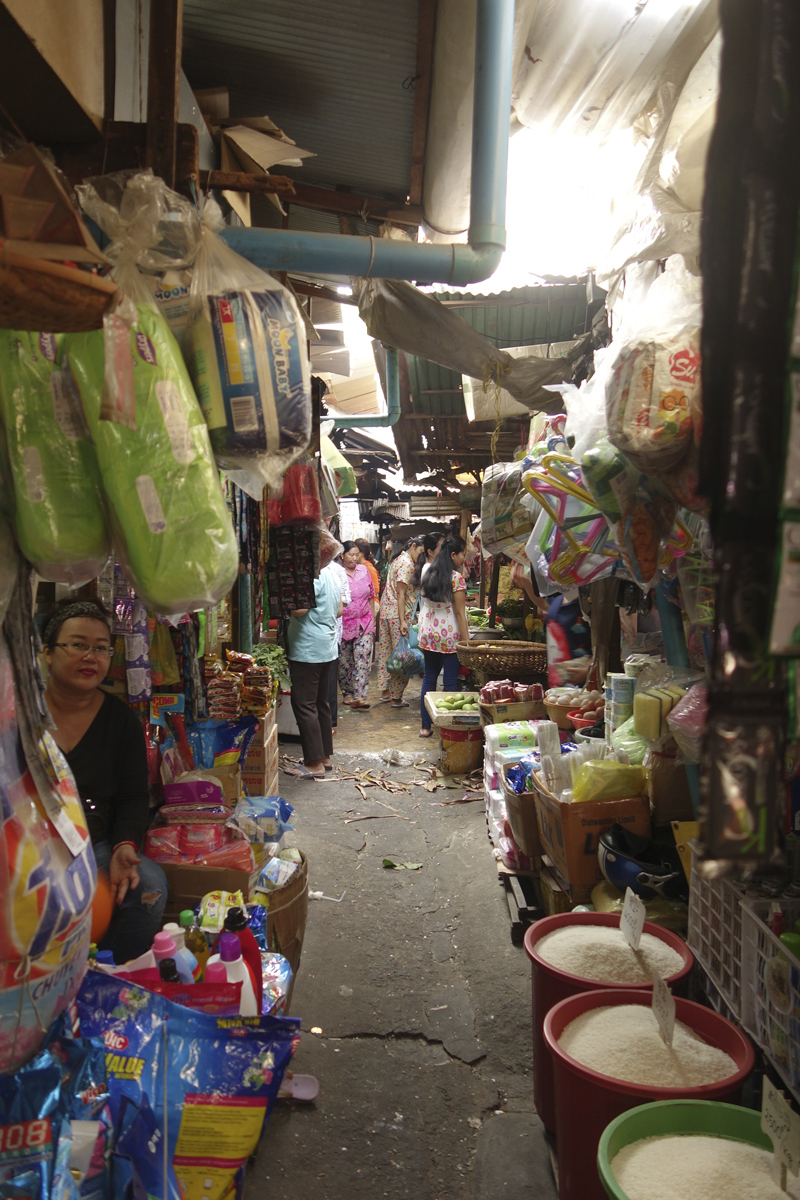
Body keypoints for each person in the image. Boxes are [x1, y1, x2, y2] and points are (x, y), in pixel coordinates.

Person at [41, 598, 167, 962]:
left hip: (92, 843)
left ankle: (109, 975)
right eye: (78, 645)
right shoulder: (20, 714)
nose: (90, 657)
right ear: (48, 653)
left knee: (148, 887)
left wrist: (124, 845)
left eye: (100, 648)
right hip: (27, 844)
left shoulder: (121, 721)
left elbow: (131, 796)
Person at [285, 562, 343, 777]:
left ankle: (314, 763)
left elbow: (299, 609)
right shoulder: (332, 574)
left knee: (304, 704)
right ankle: (324, 756)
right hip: (327, 645)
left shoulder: (312, 575)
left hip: (308, 647)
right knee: (320, 703)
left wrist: (285, 602)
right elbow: (338, 610)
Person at [417, 535, 471, 737]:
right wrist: (466, 643)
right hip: (448, 635)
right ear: (453, 555)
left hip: (429, 633)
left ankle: (425, 726)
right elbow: (459, 613)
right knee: (449, 682)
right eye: (463, 554)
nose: (464, 558)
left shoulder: (428, 572)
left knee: (429, 679)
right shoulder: (456, 578)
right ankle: (449, 728)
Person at [376, 537, 427, 707]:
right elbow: (401, 594)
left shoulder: (398, 559)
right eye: (420, 552)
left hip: (386, 612)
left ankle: (385, 691)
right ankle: (396, 696)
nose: (421, 557)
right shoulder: (406, 563)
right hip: (399, 615)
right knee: (403, 656)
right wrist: (403, 621)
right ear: (413, 546)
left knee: (387, 652)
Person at [339, 541, 377, 710]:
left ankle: (360, 696)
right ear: (342, 555)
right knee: (345, 662)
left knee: (363, 659)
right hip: (344, 624)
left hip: (364, 622)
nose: (354, 558)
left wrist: (372, 619)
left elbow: (371, 594)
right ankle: (347, 692)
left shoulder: (364, 570)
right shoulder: (338, 574)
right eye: (350, 555)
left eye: (356, 555)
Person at [326, 556, 351, 736]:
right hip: (329, 631)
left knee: (328, 680)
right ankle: (329, 721)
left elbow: (344, 602)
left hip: (331, 631)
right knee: (328, 679)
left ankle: (330, 721)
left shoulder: (336, 571)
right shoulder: (337, 571)